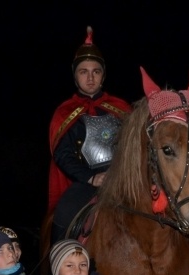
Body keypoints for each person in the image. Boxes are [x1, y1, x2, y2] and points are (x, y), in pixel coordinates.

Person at [48, 26, 131, 244]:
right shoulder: (65, 113)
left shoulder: (121, 108)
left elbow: (135, 146)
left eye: (96, 71)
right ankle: (59, 259)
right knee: (64, 211)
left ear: (103, 76)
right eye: (83, 72)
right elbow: (62, 155)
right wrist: (91, 178)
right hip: (87, 181)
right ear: (75, 77)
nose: (91, 77)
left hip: (124, 179)